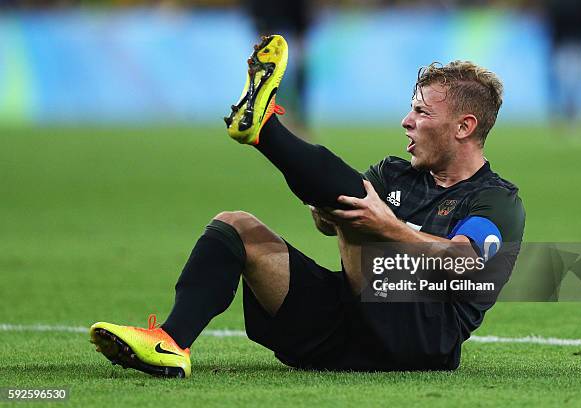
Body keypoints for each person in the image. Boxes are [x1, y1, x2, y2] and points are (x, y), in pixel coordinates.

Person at [90, 35, 525, 378]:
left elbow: (467, 264)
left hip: (419, 341)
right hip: (344, 327)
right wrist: (324, 206)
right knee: (237, 226)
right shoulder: (395, 173)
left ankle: (265, 131)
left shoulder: (496, 199)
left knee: (363, 216)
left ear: (464, 127)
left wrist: (386, 227)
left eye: (422, 112)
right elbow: (325, 223)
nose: (406, 122)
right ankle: (171, 342)